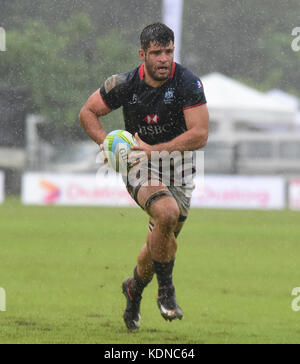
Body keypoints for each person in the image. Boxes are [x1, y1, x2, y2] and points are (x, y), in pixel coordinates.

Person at [79, 22, 209, 331]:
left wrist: (158, 149)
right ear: (143, 55)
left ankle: (133, 289)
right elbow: (88, 112)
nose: (164, 59)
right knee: (166, 212)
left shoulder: (188, 83)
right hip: (139, 162)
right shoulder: (124, 84)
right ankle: (166, 292)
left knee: (159, 243)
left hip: (178, 168)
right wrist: (106, 145)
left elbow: (200, 134)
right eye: (157, 53)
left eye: (169, 51)